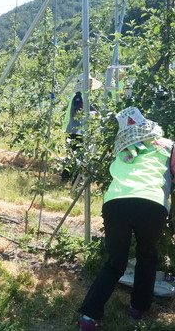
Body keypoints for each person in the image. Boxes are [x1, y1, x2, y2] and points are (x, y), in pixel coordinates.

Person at [77, 107, 175, 330]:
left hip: (116, 203)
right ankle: (138, 309)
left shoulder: (122, 149)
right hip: (151, 202)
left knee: (115, 263)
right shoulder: (169, 146)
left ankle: (89, 317)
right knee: (147, 255)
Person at [61, 73, 101, 181]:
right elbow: (78, 111)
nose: (91, 85)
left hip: (78, 131)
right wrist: (90, 114)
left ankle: (67, 177)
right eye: (89, 82)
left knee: (74, 155)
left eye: (91, 82)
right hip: (75, 130)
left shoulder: (85, 96)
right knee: (76, 156)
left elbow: (93, 109)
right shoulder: (78, 96)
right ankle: (74, 179)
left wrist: (97, 113)